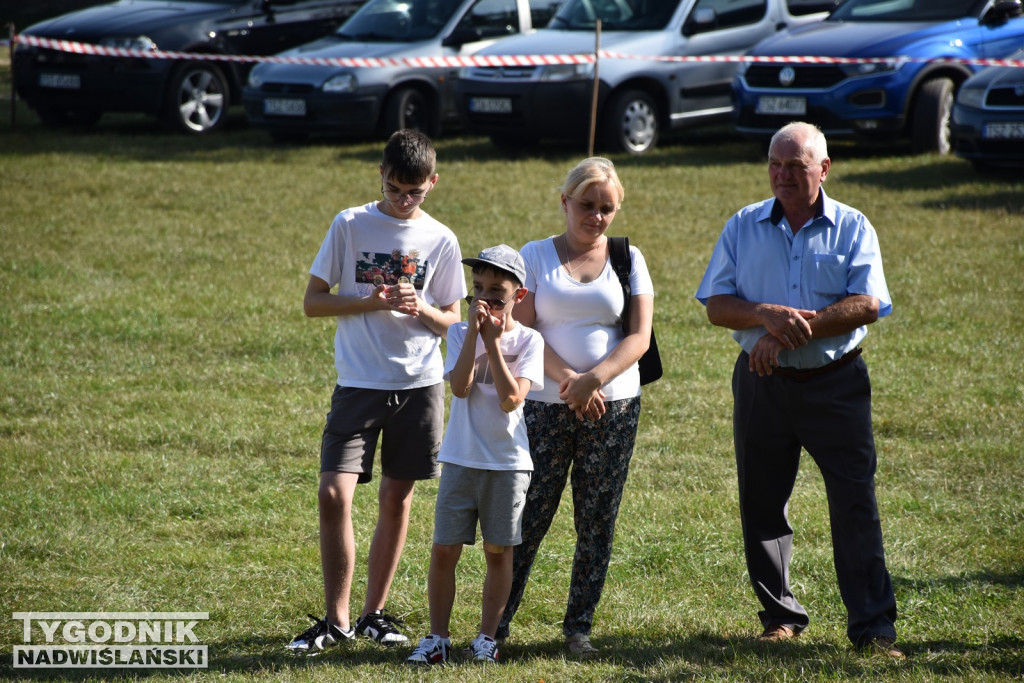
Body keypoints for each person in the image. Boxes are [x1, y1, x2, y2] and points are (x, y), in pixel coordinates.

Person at [694, 122, 904, 660]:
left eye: (795, 166)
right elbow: (717, 305)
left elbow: (869, 304)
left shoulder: (854, 227)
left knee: (855, 505)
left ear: (824, 169)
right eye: (775, 164)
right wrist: (765, 315)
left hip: (836, 384)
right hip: (762, 384)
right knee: (761, 501)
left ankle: (874, 629)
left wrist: (786, 335)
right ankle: (779, 616)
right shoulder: (742, 226)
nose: (782, 175)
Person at [287, 129, 466, 655]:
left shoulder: (441, 239)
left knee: (397, 497)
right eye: (395, 189)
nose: (404, 201)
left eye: (415, 192)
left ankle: (373, 614)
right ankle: (336, 619)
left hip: (419, 385)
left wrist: (421, 309)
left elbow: (454, 321)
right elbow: (313, 302)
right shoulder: (350, 224)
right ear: (380, 175)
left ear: (433, 182)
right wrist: (369, 301)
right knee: (333, 493)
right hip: (358, 384)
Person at [497, 157, 654, 658]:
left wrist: (596, 380)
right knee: (528, 514)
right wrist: (571, 383)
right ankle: (495, 625)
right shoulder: (535, 256)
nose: (597, 216)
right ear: (564, 202)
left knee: (597, 518)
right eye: (587, 205)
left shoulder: (629, 259)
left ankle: (578, 629)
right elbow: (523, 333)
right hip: (544, 404)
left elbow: (639, 336)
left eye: (607, 208)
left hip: (614, 406)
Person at [405, 245, 545, 666]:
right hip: (461, 459)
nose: (483, 302)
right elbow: (461, 387)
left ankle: (487, 638)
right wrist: (474, 337)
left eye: (495, 295)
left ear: (518, 297)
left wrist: (495, 345)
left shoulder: (530, 341)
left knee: (498, 552)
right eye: (477, 291)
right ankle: (438, 638)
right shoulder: (458, 334)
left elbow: (510, 400)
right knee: (444, 549)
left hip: (507, 464)